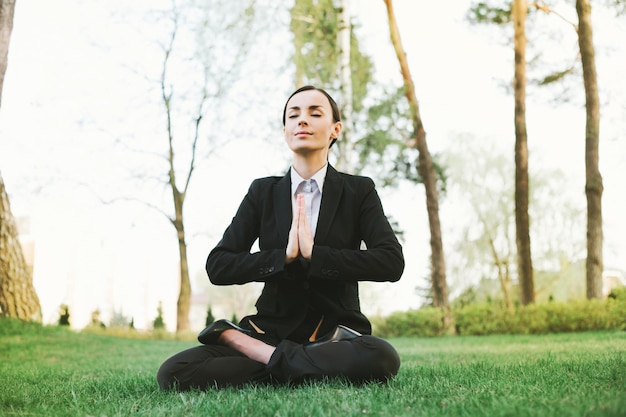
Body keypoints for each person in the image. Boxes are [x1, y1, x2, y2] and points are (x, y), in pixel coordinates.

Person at [157, 85, 404, 391]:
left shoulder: (359, 190)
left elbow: (391, 262)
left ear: (334, 129)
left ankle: (266, 358)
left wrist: (317, 254)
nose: (303, 120)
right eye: (294, 114)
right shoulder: (263, 192)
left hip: (334, 336)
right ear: (285, 129)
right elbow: (218, 265)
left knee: (381, 357)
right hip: (269, 329)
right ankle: (298, 364)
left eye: (315, 113)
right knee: (175, 371)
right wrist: (282, 257)